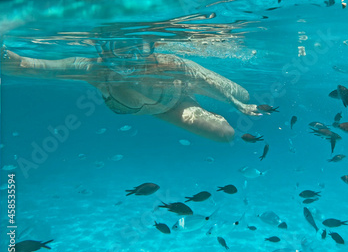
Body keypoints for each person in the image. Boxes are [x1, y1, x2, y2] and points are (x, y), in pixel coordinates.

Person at [1, 41, 260, 142]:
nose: (129, 59)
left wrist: (235, 102)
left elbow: (201, 79)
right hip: (169, 108)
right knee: (226, 134)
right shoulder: (94, 71)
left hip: (183, 82)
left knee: (244, 94)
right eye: (117, 50)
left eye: (136, 50)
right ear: (103, 51)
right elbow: (32, 66)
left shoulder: (166, 62)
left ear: (150, 48)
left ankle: (239, 99)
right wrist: (12, 60)